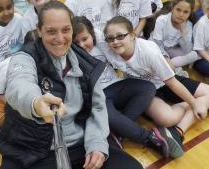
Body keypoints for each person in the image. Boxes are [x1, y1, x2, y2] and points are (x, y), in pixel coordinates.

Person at [0, 1, 148, 169]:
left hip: (74, 147)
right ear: (39, 30)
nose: (60, 38)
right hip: (31, 148)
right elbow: (19, 86)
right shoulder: (24, 57)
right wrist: (36, 102)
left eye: (65, 30)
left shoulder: (86, 64)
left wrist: (97, 144)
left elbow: (98, 109)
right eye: (51, 31)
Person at [71, 16, 176, 158]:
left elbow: (103, 33)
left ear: (92, 35)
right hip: (99, 95)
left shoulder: (101, 44)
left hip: (116, 85)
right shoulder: (73, 56)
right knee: (105, 113)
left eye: (85, 39)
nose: (82, 45)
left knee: (148, 87)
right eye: (76, 42)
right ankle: (149, 138)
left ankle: (119, 130)